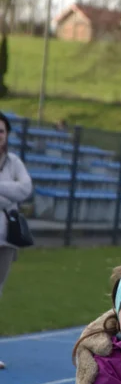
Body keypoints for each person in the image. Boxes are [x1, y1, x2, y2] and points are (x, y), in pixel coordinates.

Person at [0, 111, 33, 369]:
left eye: (1, 131)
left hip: (6, 241)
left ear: (7, 135)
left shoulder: (13, 162)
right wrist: (8, 191)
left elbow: (25, 189)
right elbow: (15, 192)